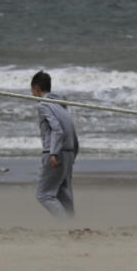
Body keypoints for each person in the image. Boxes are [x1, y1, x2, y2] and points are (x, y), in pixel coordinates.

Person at [30, 70, 79, 217]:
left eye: (32, 90)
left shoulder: (43, 105)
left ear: (37, 88)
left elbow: (57, 130)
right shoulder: (61, 105)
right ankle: (73, 225)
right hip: (69, 152)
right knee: (64, 193)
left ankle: (66, 225)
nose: (32, 94)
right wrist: (73, 153)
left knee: (44, 194)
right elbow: (71, 130)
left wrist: (53, 153)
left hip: (56, 153)